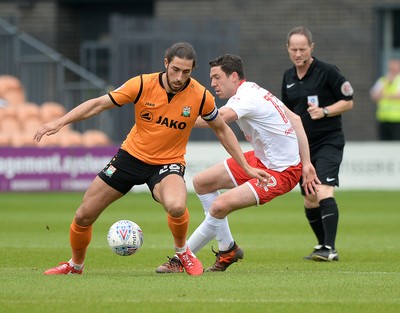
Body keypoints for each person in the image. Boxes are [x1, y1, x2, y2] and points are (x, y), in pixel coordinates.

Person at [34, 42, 269, 276]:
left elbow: (222, 130)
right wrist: (60, 122)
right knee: (84, 215)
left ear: (192, 70)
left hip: (168, 164)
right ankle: (75, 266)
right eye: (175, 69)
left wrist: (245, 166)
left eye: (186, 72)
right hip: (130, 158)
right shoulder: (142, 84)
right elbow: (98, 104)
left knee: (177, 206)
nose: (179, 77)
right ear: (166, 63)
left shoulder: (200, 96)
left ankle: (183, 251)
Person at [156, 54, 319, 273]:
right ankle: (228, 249)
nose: (213, 83)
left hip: (281, 172)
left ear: (233, 76)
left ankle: (179, 259)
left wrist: (175, 119)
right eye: (211, 78)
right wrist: (307, 162)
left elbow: (219, 118)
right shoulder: (253, 90)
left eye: (217, 77)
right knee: (202, 182)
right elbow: (296, 120)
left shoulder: (246, 97)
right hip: (261, 160)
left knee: (219, 206)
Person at [281, 26, 354, 261]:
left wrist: (324, 111)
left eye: (303, 49)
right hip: (304, 147)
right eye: (294, 49)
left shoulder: (327, 71)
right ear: (288, 49)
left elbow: (348, 101)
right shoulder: (288, 77)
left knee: (322, 190)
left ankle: (330, 249)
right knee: (310, 198)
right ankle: (322, 245)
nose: (298, 53)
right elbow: (287, 112)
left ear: (311, 48)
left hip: (329, 141)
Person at [370, 58, 400, 140]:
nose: (392, 68)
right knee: (384, 145)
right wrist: (386, 82)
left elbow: (398, 96)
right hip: (383, 119)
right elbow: (374, 95)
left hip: (397, 119)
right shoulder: (383, 80)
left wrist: (383, 96)